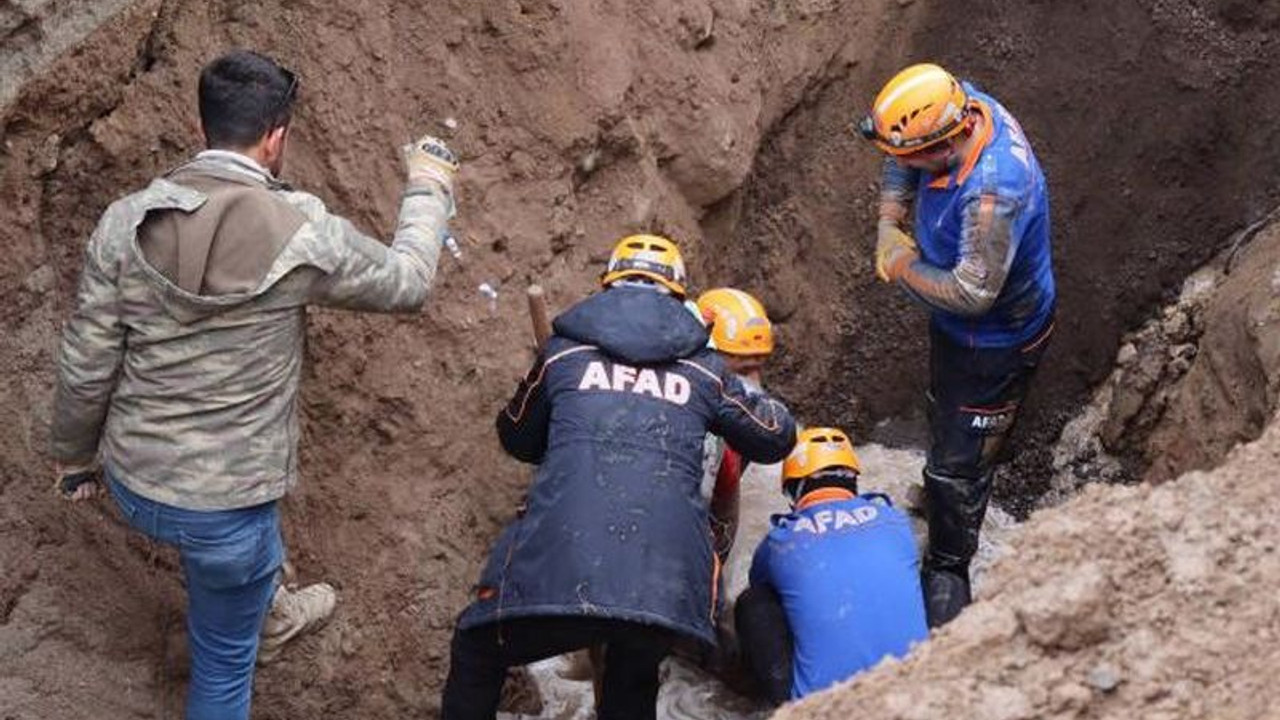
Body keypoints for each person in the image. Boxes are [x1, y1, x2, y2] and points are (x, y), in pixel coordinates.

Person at [49, 50, 459, 720]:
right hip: (224, 510)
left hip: (133, 484)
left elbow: (87, 358)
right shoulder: (302, 232)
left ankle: (266, 606)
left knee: (244, 554)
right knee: (223, 665)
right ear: (276, 138)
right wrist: (427, 185)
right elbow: (408, 282)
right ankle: (258, 626)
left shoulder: (125, 221)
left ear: (200, 122)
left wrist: (72, 460)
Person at [441, 235, 797, 720]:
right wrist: (751, 391)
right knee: (634, 668)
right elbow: (775, 436)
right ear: (679, 298)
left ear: (607, 288)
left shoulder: (564, 354)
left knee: (477, 647)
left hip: (559, 570)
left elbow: (516, 436)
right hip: (664, 589)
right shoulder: (704, 370)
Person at [856, 62, 1055, 626]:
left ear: (943, 146)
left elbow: (971, 293)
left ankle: (949, 565)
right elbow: (900, 153)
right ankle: (943, 478)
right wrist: (890, 220)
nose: (898, 163)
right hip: (961, 332)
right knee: (946, 410)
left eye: (911, 155)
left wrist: (901, 264)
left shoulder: (993, 192)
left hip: (997, 339)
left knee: (963, 459)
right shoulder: (954, 102)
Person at [735, 427, 927, 705]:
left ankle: (774, 707)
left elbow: (758, 583)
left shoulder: (780, 541)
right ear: (853, 480)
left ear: (794, 489)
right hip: (917, 691)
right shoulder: (894, 519)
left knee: (753, 602)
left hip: (824, 706)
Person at [695, 288, 776, 565]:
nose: (754, 383)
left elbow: (725, 512)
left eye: (758, 368)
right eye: (743, 371)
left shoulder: (741, 421)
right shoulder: (688, 416)